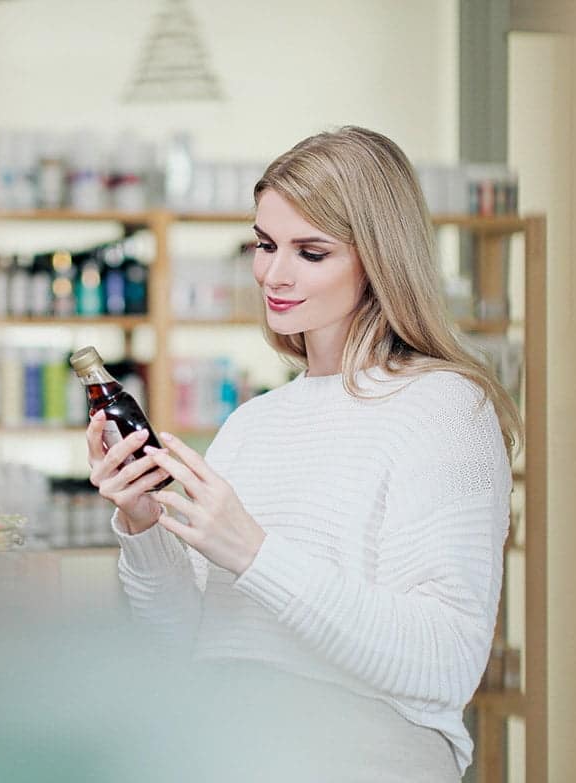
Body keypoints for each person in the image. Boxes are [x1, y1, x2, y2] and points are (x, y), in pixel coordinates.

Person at [86, 126, 519, 781]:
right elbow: (185, 642)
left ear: (378, 258)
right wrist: (143, 524)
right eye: (264, 244)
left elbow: (446, 660)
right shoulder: (252, 423)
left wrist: (255, 552)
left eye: (310, 251)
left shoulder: (442, 407)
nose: (273, 273)